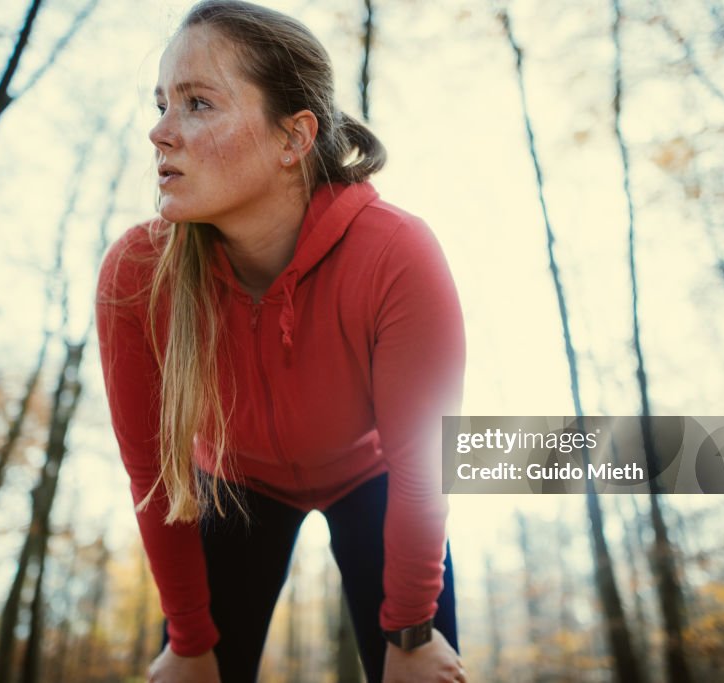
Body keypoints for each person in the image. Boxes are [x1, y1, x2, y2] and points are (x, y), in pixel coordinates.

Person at [94, 1, 467, 681]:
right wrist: (187, 639)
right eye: (160, 104)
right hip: (234, 483)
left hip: (375, 476)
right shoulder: (137, 274)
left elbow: (424, 462)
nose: (159, 132)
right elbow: (155, 475)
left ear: (293, 138)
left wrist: (413, 632)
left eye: (197, 103)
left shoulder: (395, 253)